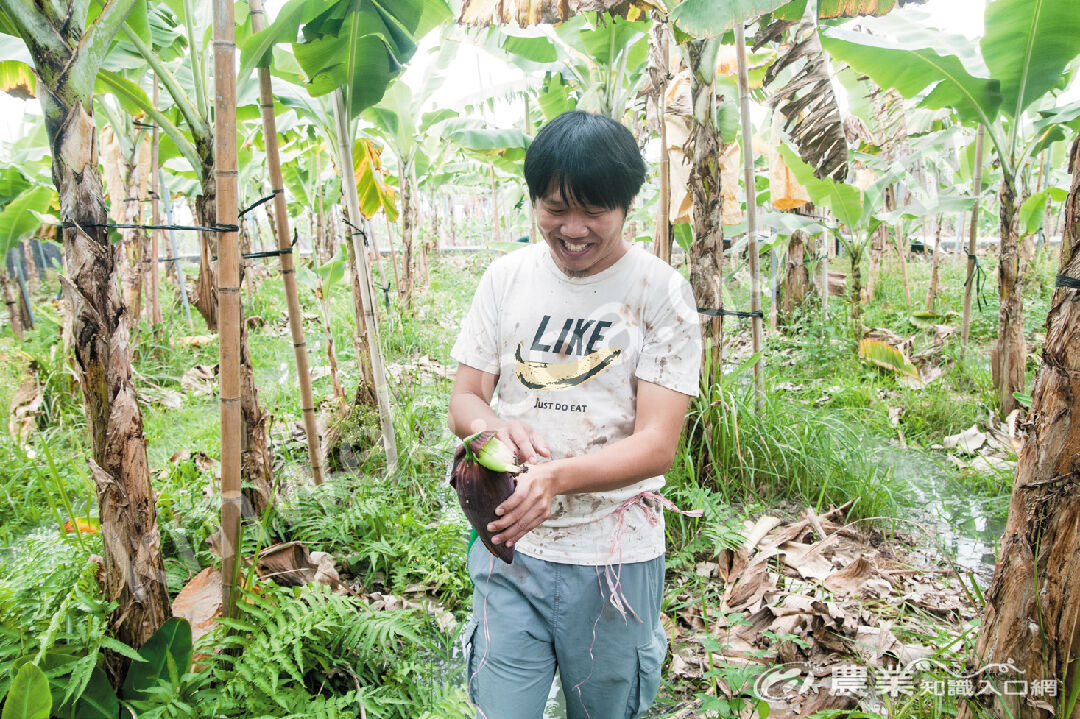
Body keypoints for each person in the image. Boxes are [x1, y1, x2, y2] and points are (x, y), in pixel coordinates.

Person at [448, 110, 702, 719]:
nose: (574, 229)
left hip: (615, 558)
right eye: (556, 208)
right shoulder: (506, 279)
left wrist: (556, 478)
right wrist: (494, 426)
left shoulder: (660, 291)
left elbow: (658, 444)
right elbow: (465, 397)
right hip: (510, 548)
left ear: (626, 205)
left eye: (594, 211)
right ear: (534, 199)